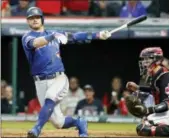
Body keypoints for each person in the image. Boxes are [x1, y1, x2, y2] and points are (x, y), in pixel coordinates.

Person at [22, 7, 111, 137]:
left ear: (42, 19)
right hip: (40, 81)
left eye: (37, 17)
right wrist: (53, 36)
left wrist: (98, 35)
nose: (34, 20)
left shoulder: (55, 33)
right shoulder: (27, 37)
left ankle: (36, 128)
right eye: (31, 18)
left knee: (50, 97)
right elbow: (35, 43)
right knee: (58, 122)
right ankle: (80, 122)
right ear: (28, 21)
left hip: (59, 78)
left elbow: (75, 36)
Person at [126, 47, 169, 137]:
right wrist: (138, 87)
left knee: (144, 126)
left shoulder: (165, 76)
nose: (144, 62)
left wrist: (148, 110)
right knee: (144, 125)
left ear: (157, 60)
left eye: (147, 59)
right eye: (143, 59)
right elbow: (153, 90)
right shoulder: (158, 74)